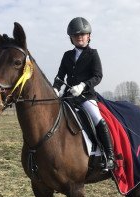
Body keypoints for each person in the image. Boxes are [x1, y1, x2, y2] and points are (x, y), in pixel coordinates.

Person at [53, 17, 114, 171]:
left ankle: (109, 156)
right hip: (68, 96)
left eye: (82, 34)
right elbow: (60, 76)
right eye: (75, 35)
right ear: (71, 38)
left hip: (86, 96)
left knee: (96, 118)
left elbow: (98, 76)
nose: (79, 37)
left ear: (89, 36)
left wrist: (82, 86)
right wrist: (55, 88)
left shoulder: (93, 54)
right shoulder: (67, 55)